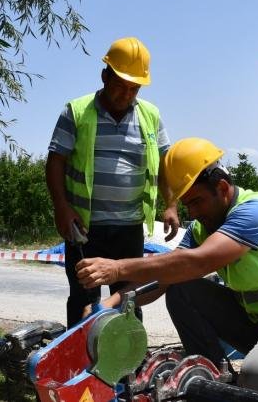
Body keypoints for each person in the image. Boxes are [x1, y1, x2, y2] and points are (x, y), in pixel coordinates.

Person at [76, 138, 258, 402]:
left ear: (223, 188)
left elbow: (199, 261)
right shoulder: (202, 228)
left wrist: (117, 268)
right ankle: (213, 382)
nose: (192, 213)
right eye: (187, 205)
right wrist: (110, 304)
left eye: (197, 201)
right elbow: (165, 275)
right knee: (180, 286)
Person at [45, 36, 180, 327]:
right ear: (104, 76)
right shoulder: (76, 111)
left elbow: (165, 164)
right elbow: (55, 162)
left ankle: (129, 354)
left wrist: (171, 205)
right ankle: (80, 354)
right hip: (84, 228)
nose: (126, 94)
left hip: (129, 228)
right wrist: (61, 208)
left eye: (134, 88)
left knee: (130, 299)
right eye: (120, 85)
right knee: (84, 300)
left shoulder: (151, 115)